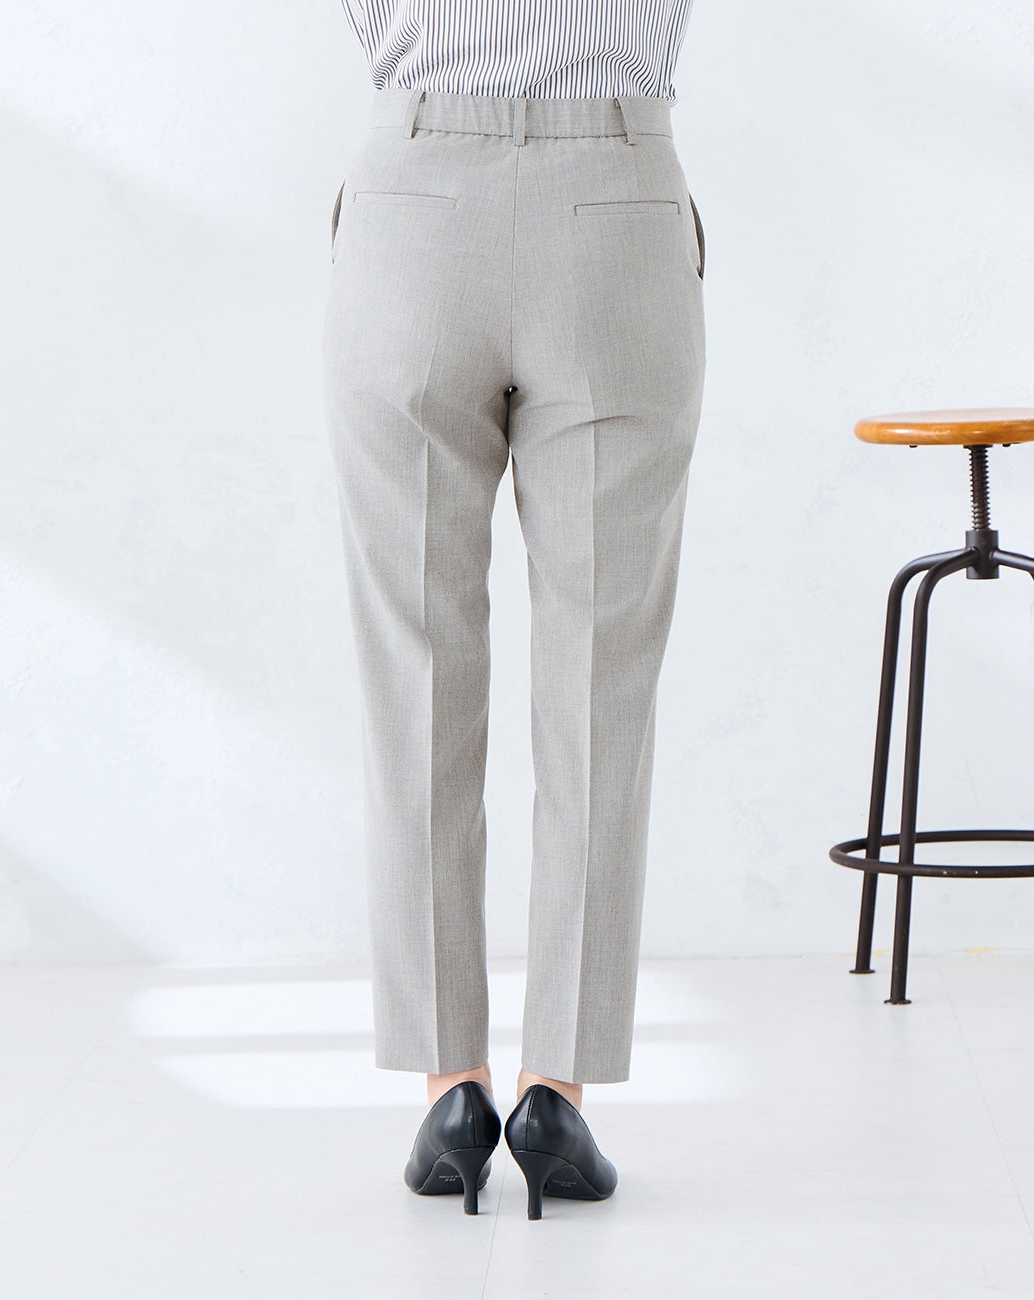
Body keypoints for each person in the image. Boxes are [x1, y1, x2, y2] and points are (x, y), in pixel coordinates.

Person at [321, 0, 704, 1219]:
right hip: (616, 205)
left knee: (416, 668)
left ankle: (450, 1088)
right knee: (602, 671)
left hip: (413, 206)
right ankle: (557, 1091)